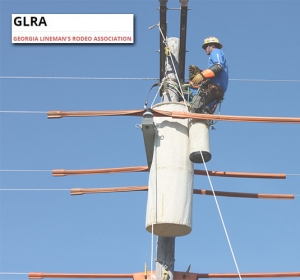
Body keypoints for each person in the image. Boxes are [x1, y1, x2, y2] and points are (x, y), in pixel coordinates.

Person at [188, 36, 228, 114]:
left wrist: (202, 75)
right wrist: (199, 72)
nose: (205, 49)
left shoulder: (216, 51)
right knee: (202, 110)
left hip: (214, 87)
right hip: (217, 89)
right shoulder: (215, 54)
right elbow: (213, 73)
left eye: (206, 46)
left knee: (194, 107)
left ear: (212, 45)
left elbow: (218, 66)